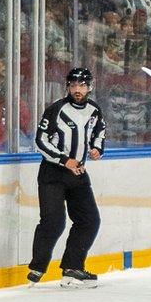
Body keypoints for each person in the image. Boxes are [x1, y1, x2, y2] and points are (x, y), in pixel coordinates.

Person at [27, 68, 105, 288]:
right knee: (53, 222)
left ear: (89, 87)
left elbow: (99, 133)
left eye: (82, 85)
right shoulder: (56, 109)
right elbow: (41, 140)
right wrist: (64, 160)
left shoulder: (94, 110)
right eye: (73, 85)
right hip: (53, 173)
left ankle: (72, 267)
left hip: (78, 172)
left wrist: (97, 149)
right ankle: (37, 267)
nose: (77, 89)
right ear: (68, 87)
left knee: (89, 220)